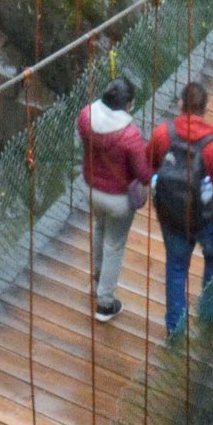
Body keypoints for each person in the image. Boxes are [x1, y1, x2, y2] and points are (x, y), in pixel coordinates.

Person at [147, 79, 213, 339]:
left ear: (180, 104)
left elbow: (150, 164)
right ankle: (209, 315)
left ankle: (175, 330)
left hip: (171, 218)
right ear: (206, 108)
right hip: (207, 220)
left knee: (176, 268)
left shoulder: (162, 134)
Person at [77, 74, 148, 319]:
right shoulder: (130, 135)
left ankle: (97, 280)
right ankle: (105, 303)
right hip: (118, 199)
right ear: (127, 104)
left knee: (99, 227)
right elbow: (144, 174)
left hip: (90, 190)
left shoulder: (85, 116)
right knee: (114, 245)